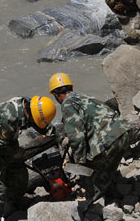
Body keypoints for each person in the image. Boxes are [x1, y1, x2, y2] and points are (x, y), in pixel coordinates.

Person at [0, 96, 56, 221]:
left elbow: (41, 124)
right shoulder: (8, 117)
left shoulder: (32, 107)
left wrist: (57, 135)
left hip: (8, 139)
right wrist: (15, 152)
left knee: (20, 174)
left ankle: (13, 202)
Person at [48, 72, 130, 203]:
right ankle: (112, 192)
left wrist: (79, 163)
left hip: (110, 141)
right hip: (124, 133)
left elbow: (77, 137)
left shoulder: (67, 104)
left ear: (56, 95)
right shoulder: (84, 97)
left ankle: (94, 203)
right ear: (71, 88)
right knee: (106, 169)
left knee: (91, 170)